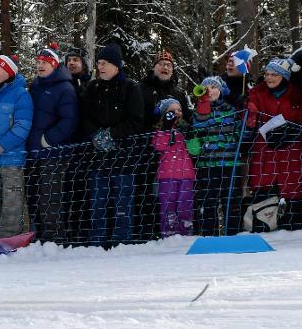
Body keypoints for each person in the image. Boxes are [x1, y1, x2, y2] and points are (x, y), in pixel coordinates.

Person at [79, 43, 144, 245]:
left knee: (123, 202)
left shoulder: (131, 87)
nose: (101, 67)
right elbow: (84, 116)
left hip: (124, 156)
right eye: (99, 63)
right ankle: (96, 241)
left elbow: (136, 120)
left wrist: (112, 135)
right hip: (98, 157)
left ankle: (122, 241)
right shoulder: (93, 87)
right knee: (98, 201)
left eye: (105, 63)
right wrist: (97, 135)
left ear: (117, 65)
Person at [246, 57, 302, 230]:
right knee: (263, 193)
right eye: (267, 74)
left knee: (296, 194)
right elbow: (251, 108)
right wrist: (251, 114)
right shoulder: (258, 92)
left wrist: (294, 132)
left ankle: (295, 229)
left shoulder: (297, 95)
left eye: (274, 74)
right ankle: (262, 226)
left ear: (284, 76)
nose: (269, 78)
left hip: (292, 153)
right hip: (266, 151)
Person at [26, 46, 78, 244]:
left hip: (54, 152)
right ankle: (39, 234)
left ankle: (55, 237)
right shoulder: (36, 86)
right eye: (38, 62)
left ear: (54, 65)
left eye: (44, 63)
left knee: (50, 197)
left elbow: (69, 120)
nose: (40, 66)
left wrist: (47, 140)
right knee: (35, 195)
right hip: (34, 151)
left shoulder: (65, 88)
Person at [0, 55, 32, 238]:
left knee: (12, 202)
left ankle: (9, 241)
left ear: (9, 71)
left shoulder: (21, 95)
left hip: (11, 159)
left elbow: (22, 127)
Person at [186, 77, 244, 236]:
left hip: (230, 163)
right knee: (208, 201)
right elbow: (198, 127)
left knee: (231, 201)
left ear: (221, 91)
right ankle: (208, 235)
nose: (209, 90)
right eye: (206, 87)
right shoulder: (198, 112)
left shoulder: (232, 110)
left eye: (213, 87)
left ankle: (233, 233)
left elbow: (240, 133)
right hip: (207, 165)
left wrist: (247, 121)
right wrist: (203, 107)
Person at [150, 98, 195, 237]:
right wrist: (166, 129)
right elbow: (160, 146)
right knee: (167, 205)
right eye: (172, 111)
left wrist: (191, 135)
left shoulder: (184, 129)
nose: (177, 113)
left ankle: (185, 232)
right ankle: (168, 233)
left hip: (186, 175)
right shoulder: (159, 131)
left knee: (185, 205)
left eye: (179, 110)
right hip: (167, 176)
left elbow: (195, 150)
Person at [139, 50, 191, 130]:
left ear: (172, 71)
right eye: (161, 64)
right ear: (153, 67)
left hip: (174, 140)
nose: (165, 67)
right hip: (144, 140)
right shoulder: (140, 89)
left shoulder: (179, 95)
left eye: (169, 65)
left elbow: (188, 120)